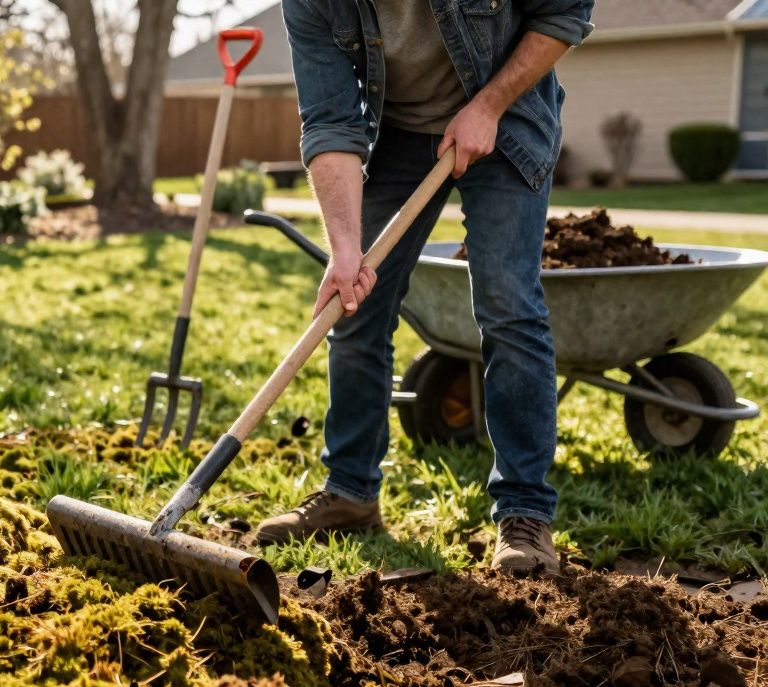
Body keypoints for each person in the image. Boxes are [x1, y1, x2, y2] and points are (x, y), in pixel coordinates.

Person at [255, 0, 595, 573]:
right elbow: (330, 119)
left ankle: (525, 514)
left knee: (508, 304)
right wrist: (345, 250)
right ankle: (351, 492)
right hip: (397, 128)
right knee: (355, 304)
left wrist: (487, 105)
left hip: (505, 113)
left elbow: (563, 12)